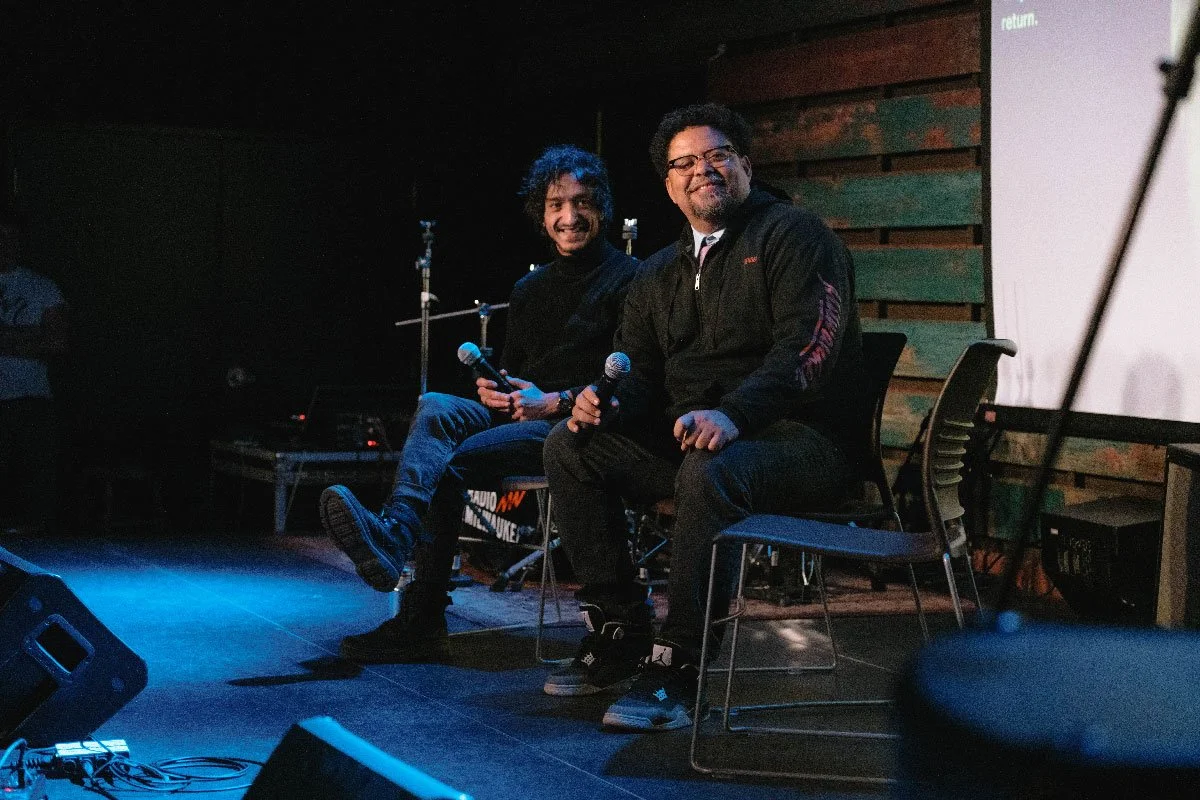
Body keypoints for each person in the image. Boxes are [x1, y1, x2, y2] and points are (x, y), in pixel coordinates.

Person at [542, 103, 868, 730]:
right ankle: (619, 629)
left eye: (717, 155)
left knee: (706, 471)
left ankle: (680, 662)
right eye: (684, 162)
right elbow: (636, 372)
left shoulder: (795, 235)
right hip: (703, 451)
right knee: (568, 445)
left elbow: (810, 348)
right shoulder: (658, 271)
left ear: (746, 164)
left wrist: (734, 414)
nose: (702, 170)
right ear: (668, 184)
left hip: (803, 444)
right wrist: (603, 403)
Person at [320, 145, 640, 663]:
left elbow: (630, 376)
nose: (569, 216)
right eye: (557, 204)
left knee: (449, 462)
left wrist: (552, 401)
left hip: (580, 425)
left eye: (582, 202)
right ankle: (395, 535)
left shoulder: (632, 278)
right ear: (541, 213)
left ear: (602, 208)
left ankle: (420, 616)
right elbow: (517, 376)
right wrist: (495, 389)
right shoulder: (530, 288)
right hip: (525, 413)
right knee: (437, 405)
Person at [0, 211, 69, 535]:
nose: (4, 245)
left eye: (10, 239)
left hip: (31, 396)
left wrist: (7, 339)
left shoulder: (42, 286)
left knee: (34, 476)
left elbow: (56, 341)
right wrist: (30, 334)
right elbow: (44, 337)